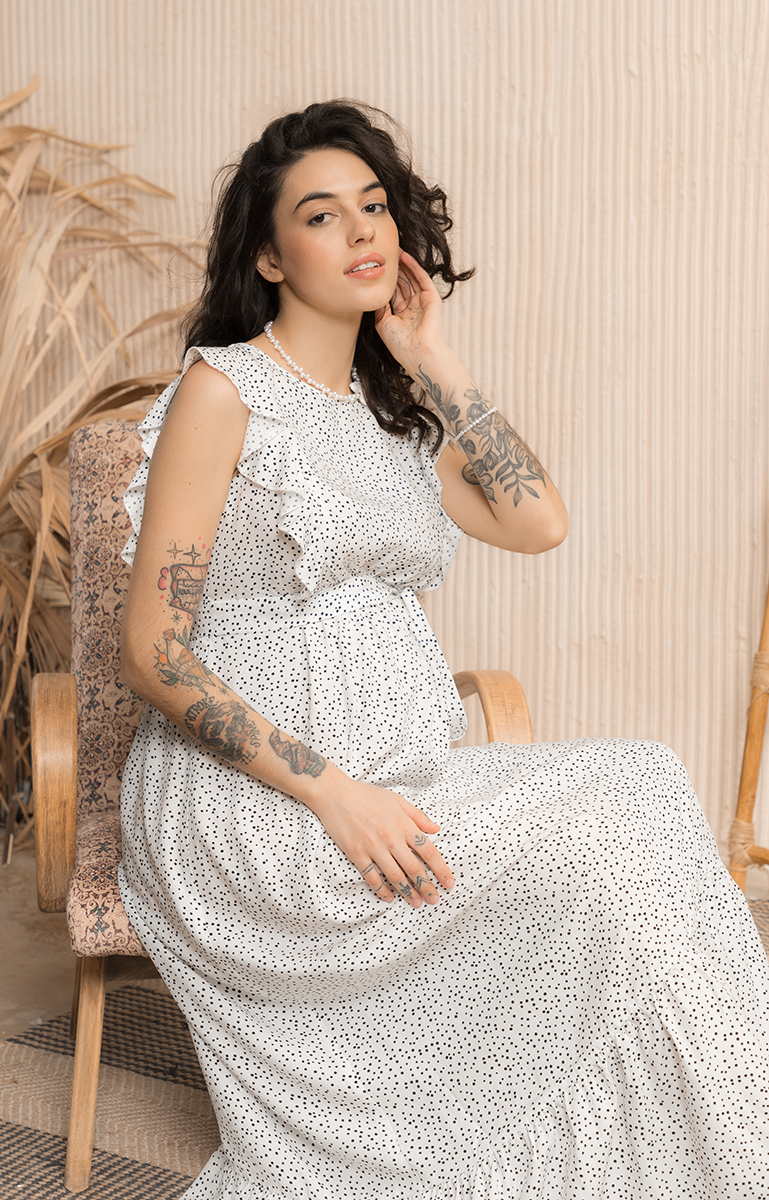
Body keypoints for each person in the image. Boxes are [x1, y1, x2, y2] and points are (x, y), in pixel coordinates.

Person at [118, 100, 769, 1200]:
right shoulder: (223, 392)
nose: (361, 230)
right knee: (619, 820)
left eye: (373, 206)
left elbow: (539, 521)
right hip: (256, 805)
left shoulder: (389, 420)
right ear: (270, 258)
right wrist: (334, 795)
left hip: (397, 778)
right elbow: (151, 653)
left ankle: (713, 1140)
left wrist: (435, 359)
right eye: (321, 216)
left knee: (645, 786)